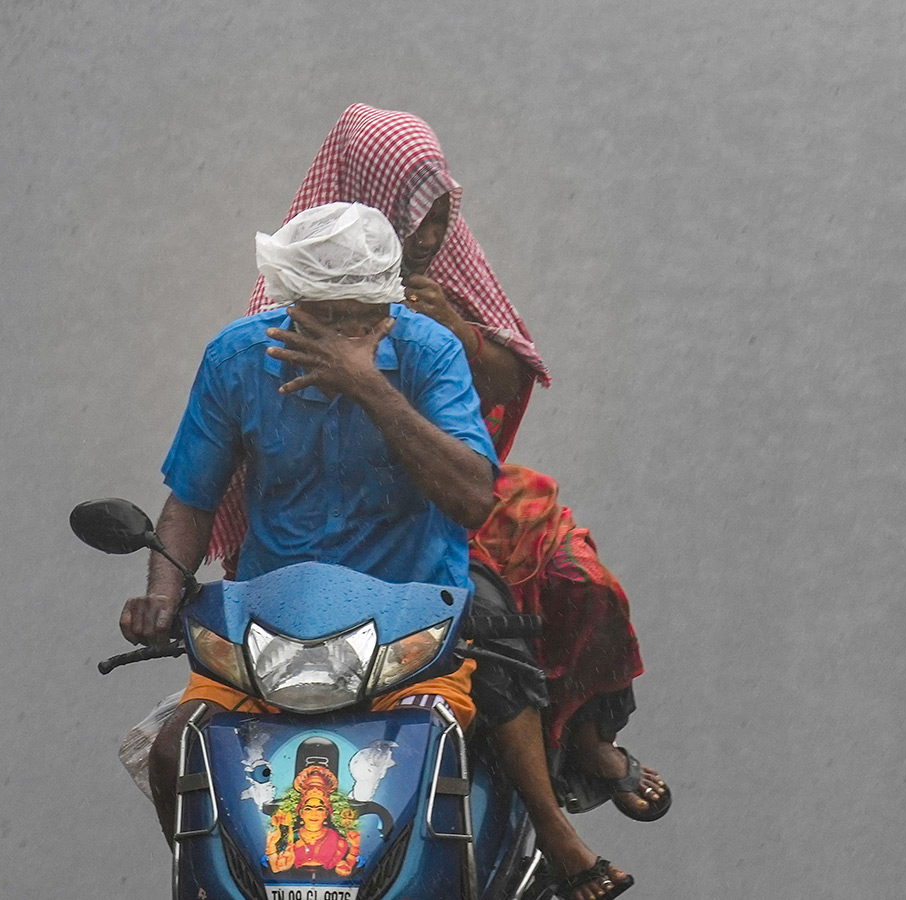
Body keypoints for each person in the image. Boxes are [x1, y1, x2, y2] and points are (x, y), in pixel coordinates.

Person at [122, 202, 634, 900]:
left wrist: (367, 387)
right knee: (173, 750)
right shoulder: (237, 360)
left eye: (362, 316)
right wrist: (162, 591)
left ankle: (549, 831)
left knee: (484, 702)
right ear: (289, 303)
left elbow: (472, 497)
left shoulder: (428, 354)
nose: (346, 334)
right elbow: (190, 498)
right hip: (277, 624)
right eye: (325, 318)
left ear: (387, 305)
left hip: (415, 613)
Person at [217, 104, 669, 827]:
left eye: (437, 216)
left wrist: (457, 334)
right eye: (409, 217)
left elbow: (509, 381)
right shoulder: (298, 296)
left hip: (452, 485)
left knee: (572, 582)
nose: (427, 237)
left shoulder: (439, 288)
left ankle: (586, 741)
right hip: (339, 511)